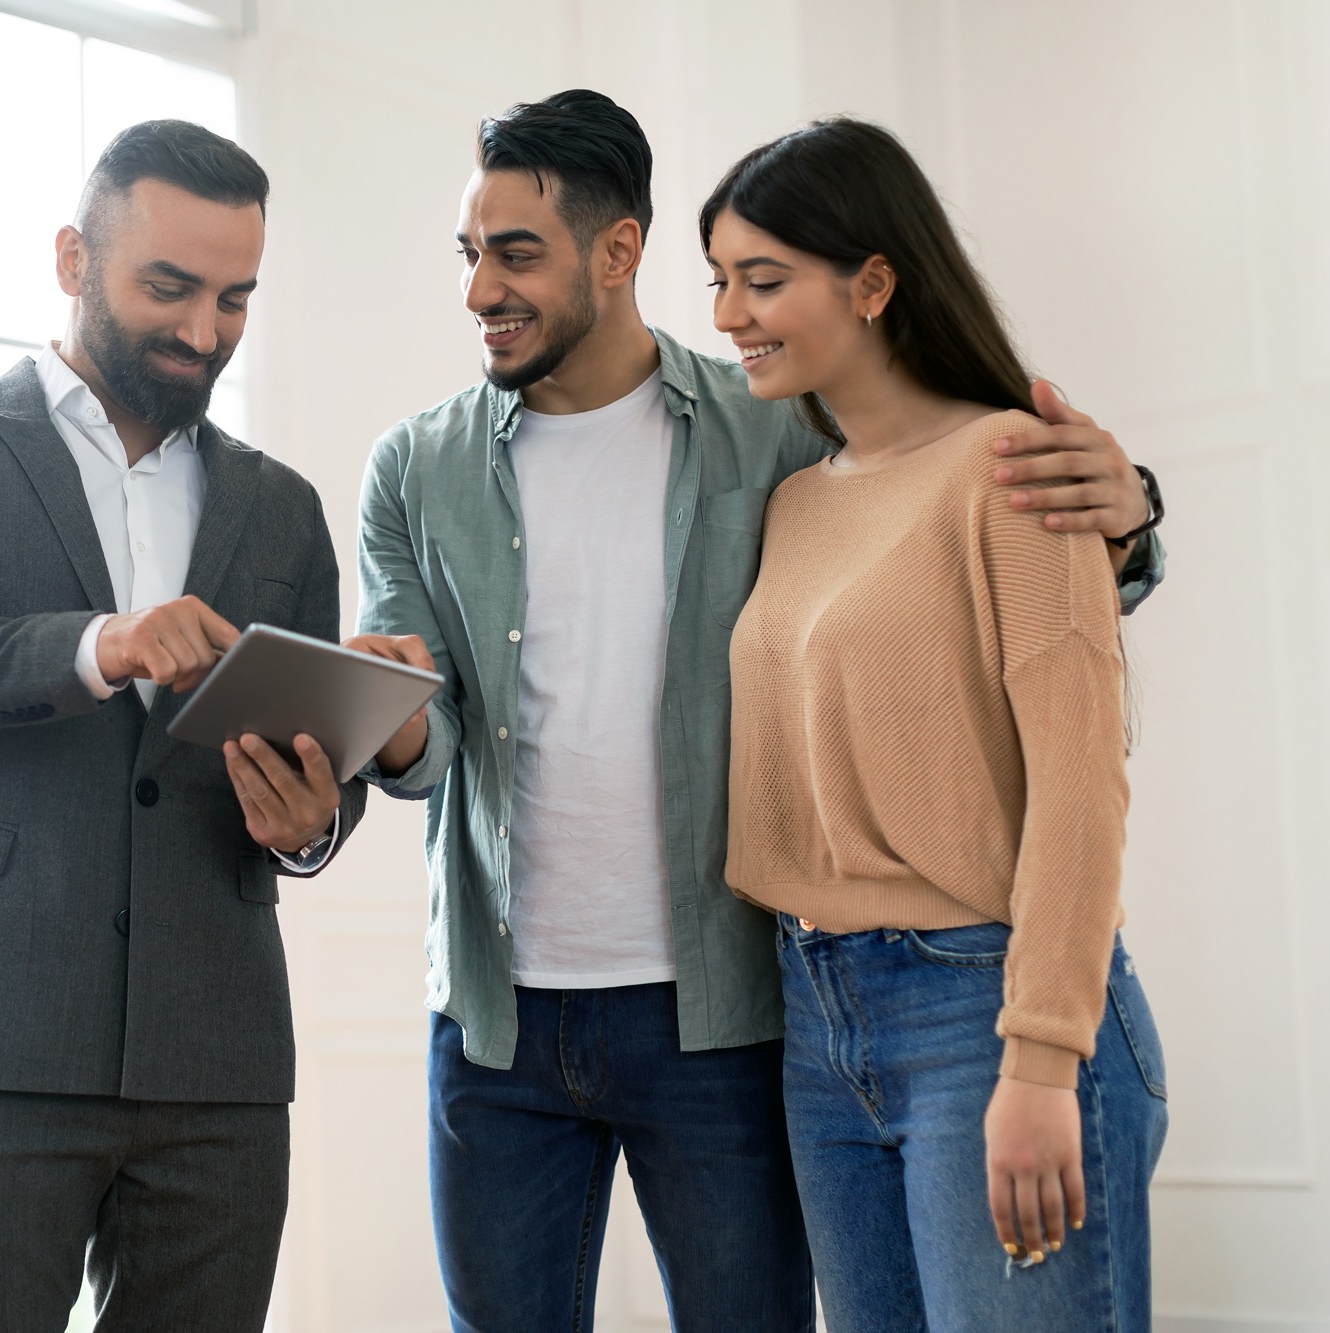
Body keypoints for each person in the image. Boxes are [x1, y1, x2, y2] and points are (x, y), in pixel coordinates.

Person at [342, 90, 1166, 1332]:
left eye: (513, 253)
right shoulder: (436, 467)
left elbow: (1056, 719)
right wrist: (385, 712)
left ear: (615, 252)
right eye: (469, 254)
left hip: (808, 1004)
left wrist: (1130, 510)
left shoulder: (787, 435)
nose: (478, 290)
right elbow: (427, 741)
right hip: (640, 1013)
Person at [0, 119, 366, 1331]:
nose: (202, 331)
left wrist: (313, 819)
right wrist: (94, 644)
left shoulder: (282, 509)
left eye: (233, 298)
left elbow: (323, 778)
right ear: (72, 259)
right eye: (167, 287)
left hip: (215, 1059)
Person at [710, 118, 1167, 1331]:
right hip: (814, 1015)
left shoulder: (1008, 466)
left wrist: (1036, 1052)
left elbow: (1080, 781)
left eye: (761, 280)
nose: (727, 314)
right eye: (716, 281)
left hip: (980, 1002)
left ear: (871, 281)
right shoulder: (796, 500)